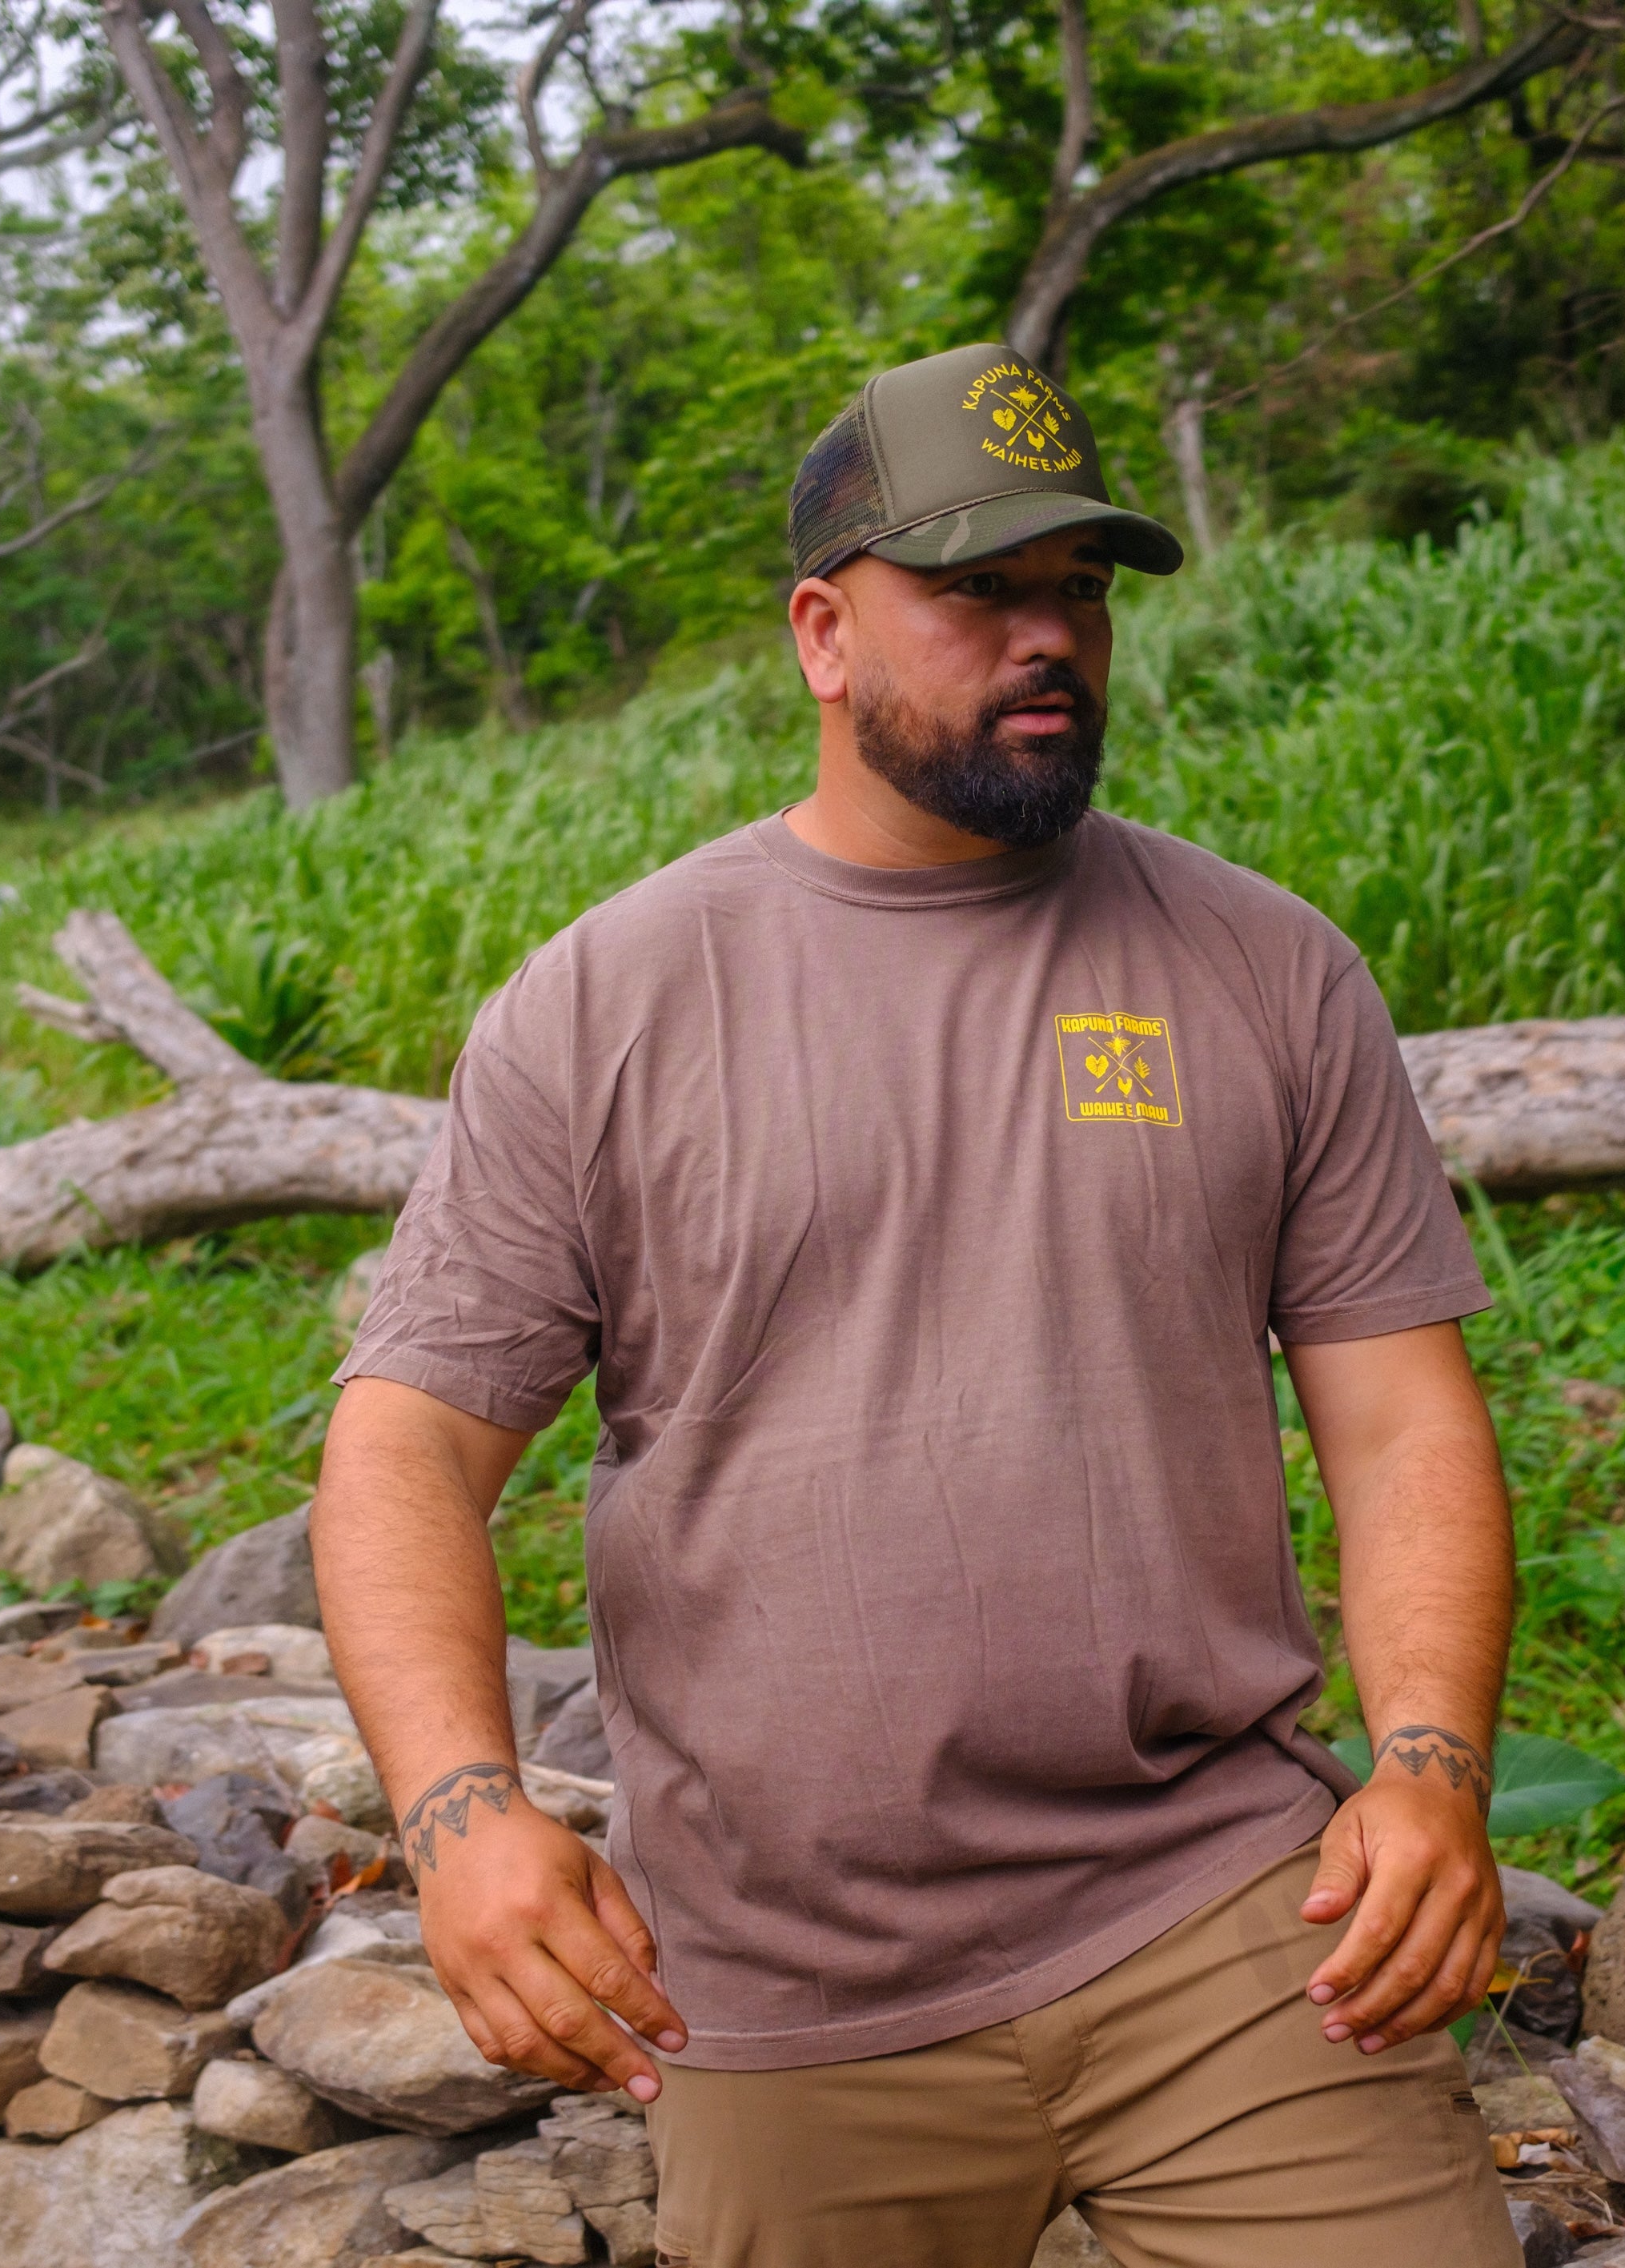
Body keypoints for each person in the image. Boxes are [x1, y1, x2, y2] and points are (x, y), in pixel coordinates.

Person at [312, 341, 1523, 2267]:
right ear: (821, 631)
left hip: (1222, 1917)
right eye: (976, 590)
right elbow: (406, 1442)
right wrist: (463, 1814)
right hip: (789, 1978)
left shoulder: (1269, 970)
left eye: (1081, 591)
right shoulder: (607, 1002)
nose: (1047, 638)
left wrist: (1430, 1764)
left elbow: (1401, 1420)